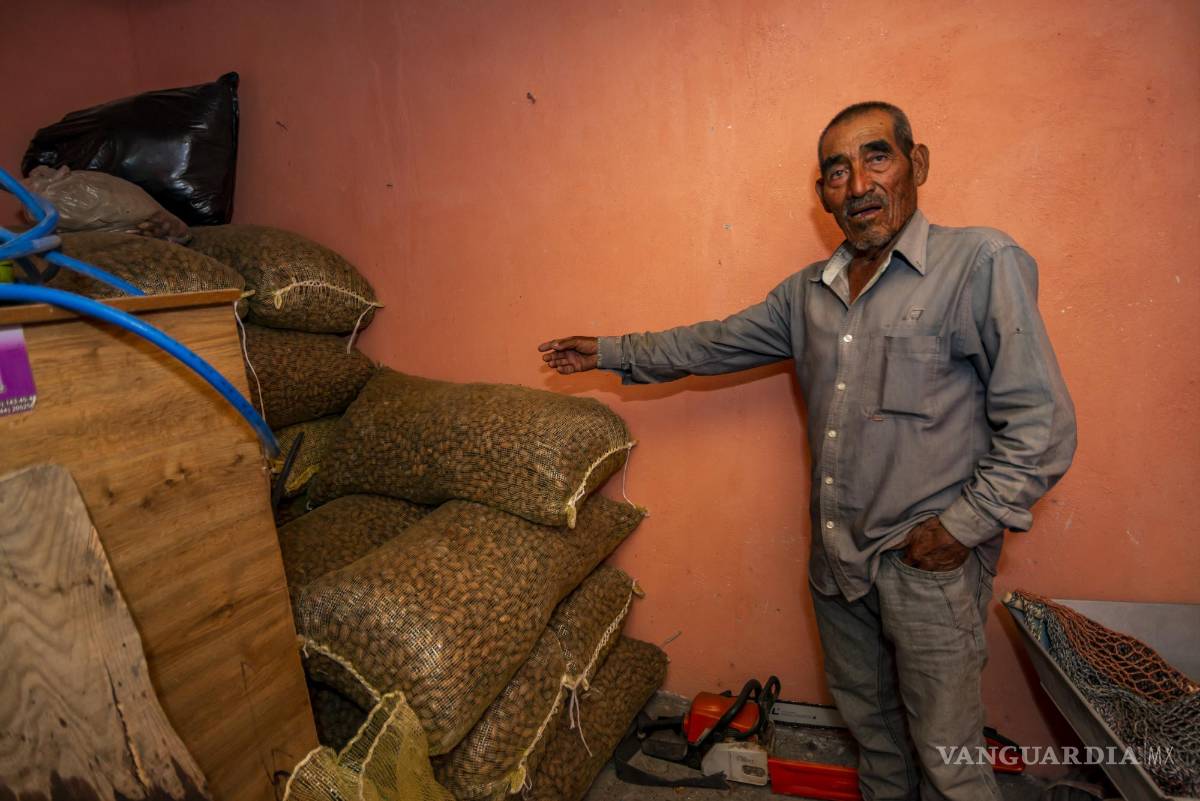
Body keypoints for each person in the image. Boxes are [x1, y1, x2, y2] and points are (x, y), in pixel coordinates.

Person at [538, 101, 1077, 801]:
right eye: (836, 172)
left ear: (918, 164)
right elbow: (711, 342)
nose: (858, 185)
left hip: (927, 569)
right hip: (838, 567)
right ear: (822, 193)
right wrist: (611, 351)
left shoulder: (979, 263)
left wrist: (960, 528)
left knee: (949, 763)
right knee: (876, 744)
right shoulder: (807, 296)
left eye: (876, 158)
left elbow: (1043, 426)